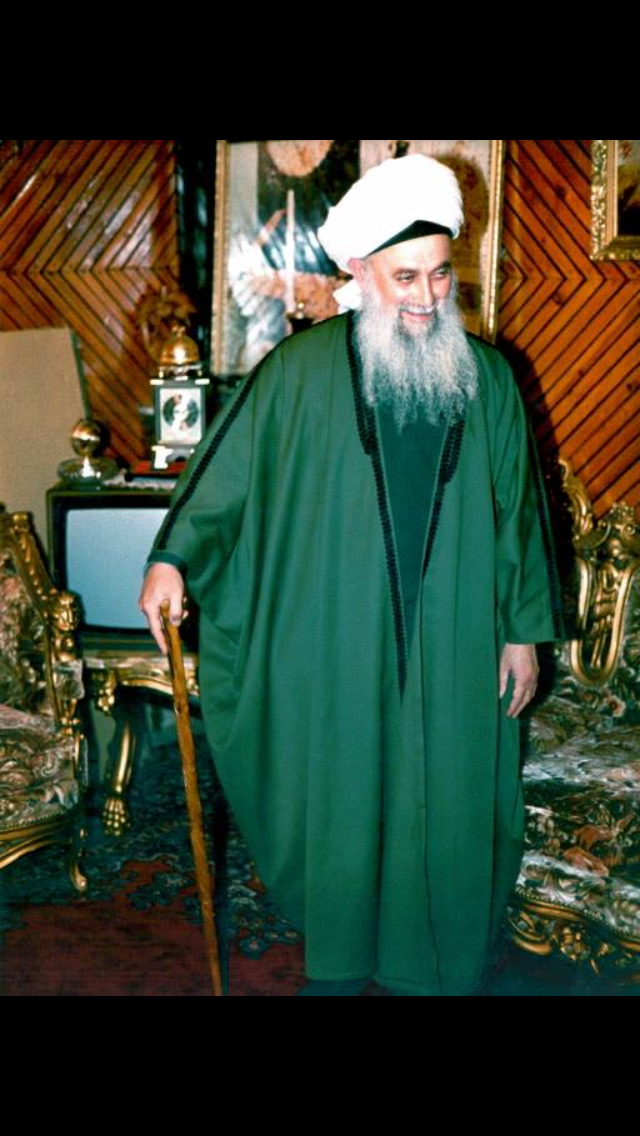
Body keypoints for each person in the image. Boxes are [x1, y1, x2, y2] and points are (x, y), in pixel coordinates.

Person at [139, 154, 562, 996]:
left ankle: (426, 969)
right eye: (405, 276)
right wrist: (171, 557)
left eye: (440, 275)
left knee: (446, 803)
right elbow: (229, 474)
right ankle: (339, 965)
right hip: (340, 634)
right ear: (360, 273)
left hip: (456, 637)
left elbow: (518, 510)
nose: (426, 297)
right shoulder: (297, 373)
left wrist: (523, 631)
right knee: (344, 795)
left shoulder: (488, 379)